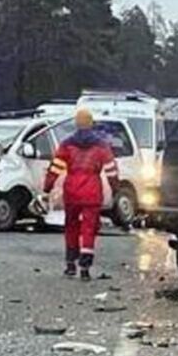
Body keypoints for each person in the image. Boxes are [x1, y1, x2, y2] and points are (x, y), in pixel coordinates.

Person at [41, 109, 120, 281]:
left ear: (76, 123)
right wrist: (116, 188)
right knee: (89, 228)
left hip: (72, 190)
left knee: (71, 226)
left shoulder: (67, 144)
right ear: (91, 123)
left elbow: (55, 168)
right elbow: (111, 170)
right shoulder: (101, 145)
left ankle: (70, 264)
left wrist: (47, 187)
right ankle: (85, 266)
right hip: (92, 190)